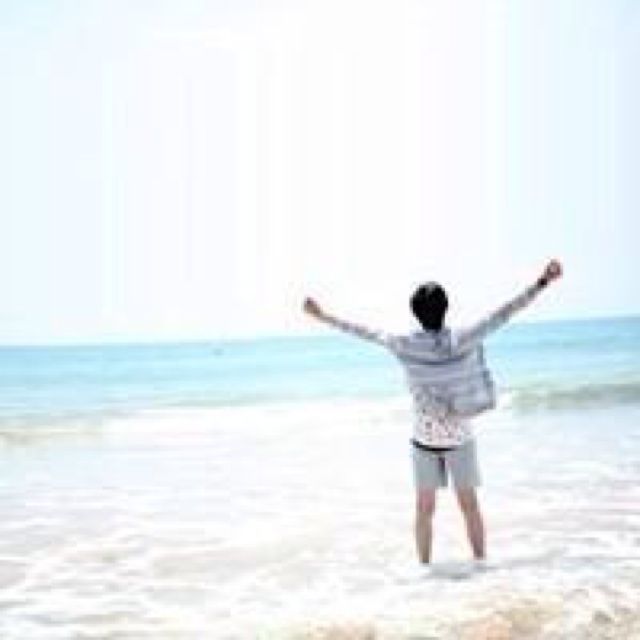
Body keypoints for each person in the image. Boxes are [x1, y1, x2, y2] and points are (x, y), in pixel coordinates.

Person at [303, 259, 563, 564]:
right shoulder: (465, 338)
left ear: (415, 313)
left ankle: (424, 569)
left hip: (424, 442)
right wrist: (542, 282)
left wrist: (323, 316)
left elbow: (364, 331)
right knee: (469, 506)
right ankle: (481, 564)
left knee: (424, 509)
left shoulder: (404, 344)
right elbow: (505, 312)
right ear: (445, 308)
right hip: (460, 438)